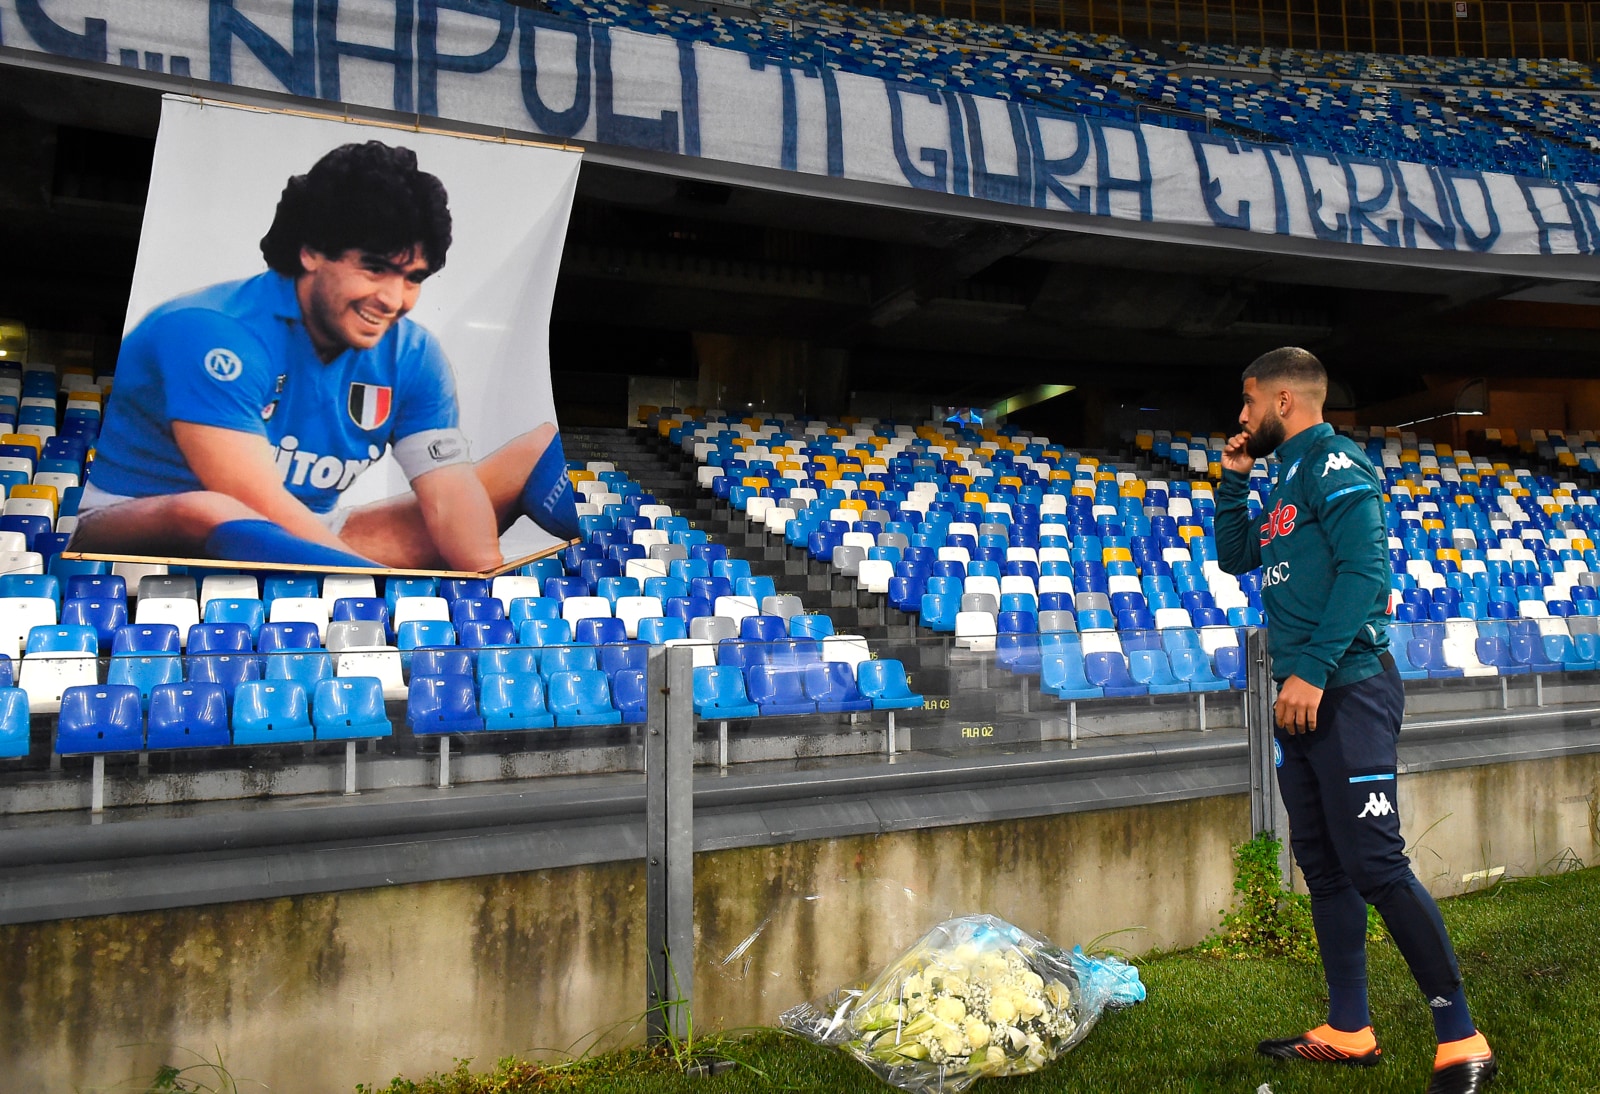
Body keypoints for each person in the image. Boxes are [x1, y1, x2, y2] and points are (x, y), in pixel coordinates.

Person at [69, 140, 579, 571]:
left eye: (413, 279)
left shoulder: (414, 353)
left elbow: (448, 497)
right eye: (375, 269)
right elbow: (252, 503)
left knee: (528, 450)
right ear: (311, 250)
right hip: (139, 531)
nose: (394, 299)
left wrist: (483, 591)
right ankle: (351, 578)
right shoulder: (210, 330)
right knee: (212, 508)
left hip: (307, 533)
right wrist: (371, 588)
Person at [1216, 347, 1495, 1094]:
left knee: (1376, 865)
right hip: (1302, 698)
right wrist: (1234, 479)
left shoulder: (1336, 465)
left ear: (1283, 400)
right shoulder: (1281, 477)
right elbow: (1235, 555)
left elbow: (1367, 574)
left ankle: (1462, 1038)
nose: (1239, 417)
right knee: (1326, 867)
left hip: (1348, 690)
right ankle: (1349, 1027)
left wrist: (1309, 672)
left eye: (1246, 403)